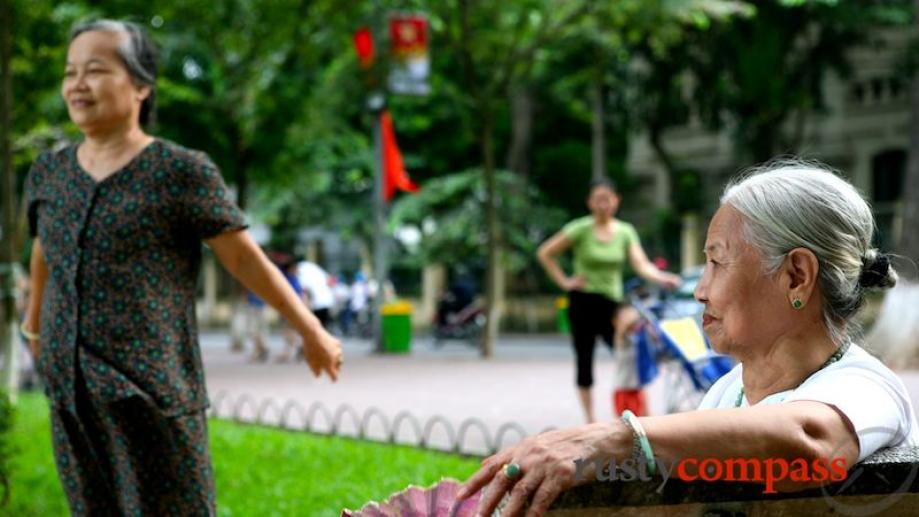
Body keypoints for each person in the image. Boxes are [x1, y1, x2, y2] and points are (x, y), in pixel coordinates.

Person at [456, 160, 919, 516]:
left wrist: (616, 439)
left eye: (718, 262)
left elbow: (811, 442)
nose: (699, 290)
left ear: (796, 276)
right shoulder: (728, 392)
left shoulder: (867, 387)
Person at [19, 20, 342, 516]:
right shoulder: (49, 172)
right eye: (70, 72)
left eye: (96, 70)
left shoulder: (179, 171)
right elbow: (44, 248)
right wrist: (35, 328)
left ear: (142, 86)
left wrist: (309, 329)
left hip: (151, 391)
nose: (77, 84)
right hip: (71, 392)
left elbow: (242, 258)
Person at [537, 178, 681, 423]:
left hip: (612, 306)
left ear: (616, 201)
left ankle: (640, 414)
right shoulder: (580, 228)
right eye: (598, 199)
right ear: (590, 202)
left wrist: (661, 277)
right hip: (582, 302)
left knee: (631, 357)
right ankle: (590, 420)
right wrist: (565, 282)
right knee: (585, 361)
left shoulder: (625, 231)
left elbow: (641, 264)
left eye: (608, 199)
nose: (603, 204)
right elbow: (545, 252)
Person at [297, 259, 334, 330]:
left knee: (315, 328)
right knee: (323, 327)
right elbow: (330, 282)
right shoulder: (315, 269)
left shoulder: (302, 270)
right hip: (327, 301)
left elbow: (305, 291)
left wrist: (304, 307)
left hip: (317, 304)